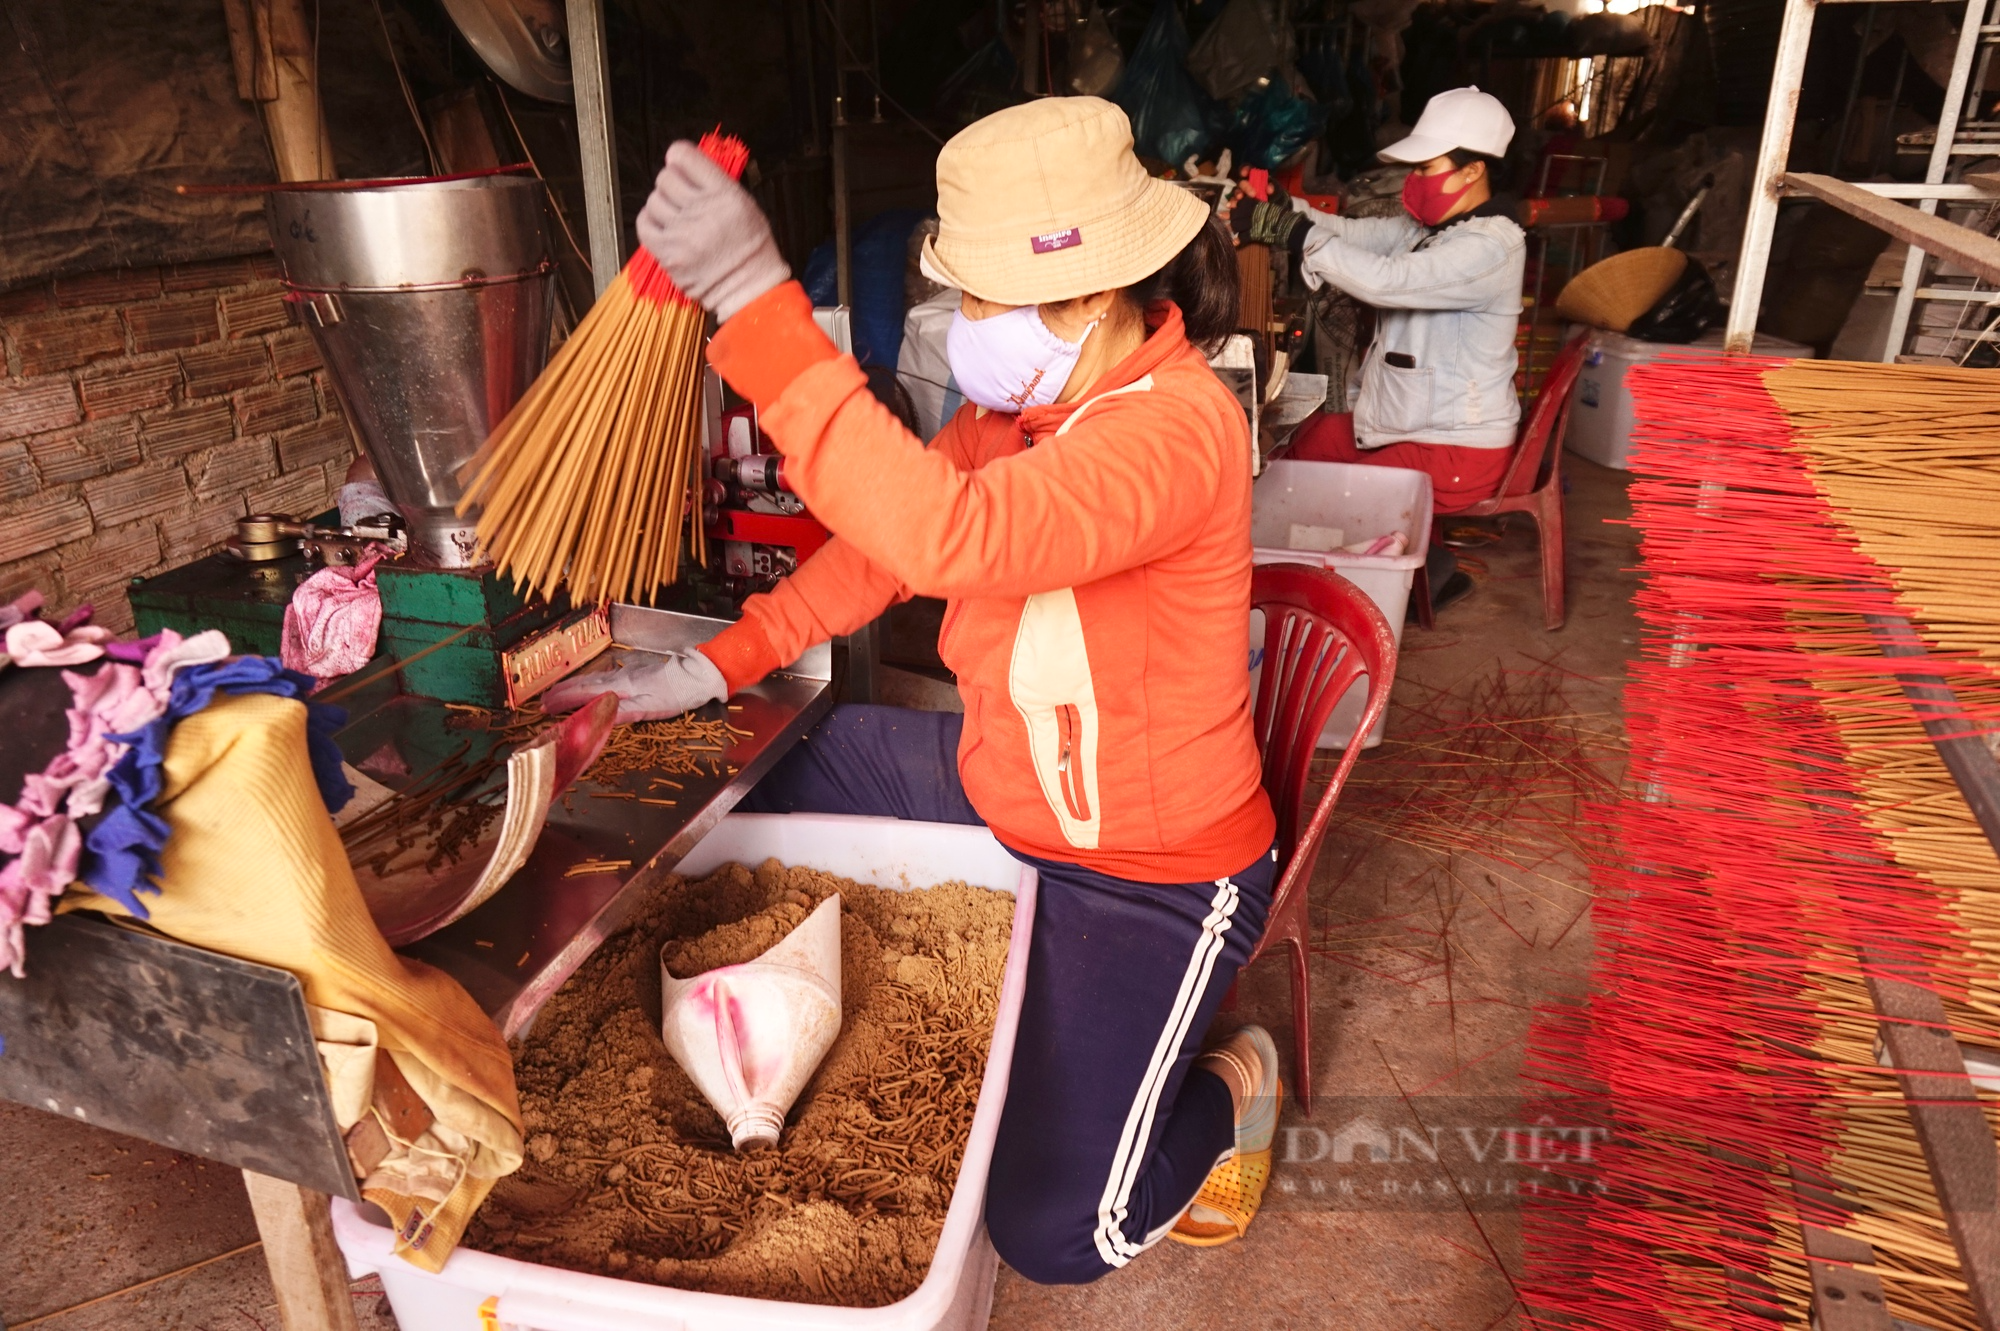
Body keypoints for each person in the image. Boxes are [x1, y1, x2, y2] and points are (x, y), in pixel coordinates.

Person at [542, 97, 1288, 1278]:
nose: (963, 321)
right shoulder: (1022, 414)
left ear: (1091, 295)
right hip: (1008, 784)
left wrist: (754, 294)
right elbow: (881, 553)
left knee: (1054, 1230)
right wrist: (717, 664)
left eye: (981, 296)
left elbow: (948, 540)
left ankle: (1231, 1081)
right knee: (750, 761)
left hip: (1146, 865)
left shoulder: (1174, 431)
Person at [1233, 87, 1527, 541]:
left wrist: (1294, 233)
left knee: (1327, 503)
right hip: (1412, 425)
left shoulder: (1489, 247)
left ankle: (1416, 575)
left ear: (1473, 170)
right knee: (1300, 450)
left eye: (1427, 168)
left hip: (1456, 449)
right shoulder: (1439, 229)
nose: (1415, 179)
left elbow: (1387, 281)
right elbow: (1357, 235)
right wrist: (1288, 209)